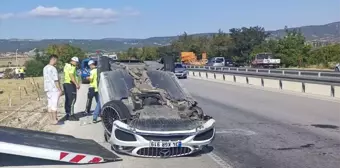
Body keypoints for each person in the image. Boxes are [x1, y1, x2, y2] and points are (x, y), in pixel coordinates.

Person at [43, 55, 62, 125]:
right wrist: (60, 89)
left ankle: (51, 120)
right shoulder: (53, 68)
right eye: (56, 60)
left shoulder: (45, 68)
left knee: (49, 105)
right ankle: (55, 120)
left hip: (47, 88)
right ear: (53, 59)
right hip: (54, 89)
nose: (56, 61)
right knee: (54, 105)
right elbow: (56, 80)